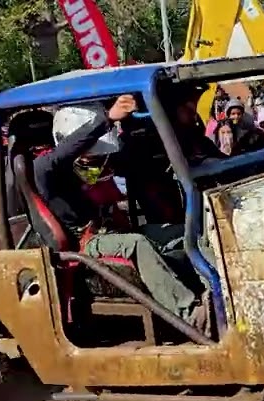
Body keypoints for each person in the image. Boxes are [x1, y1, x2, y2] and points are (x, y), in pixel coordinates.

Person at [34, 97, 206, 330]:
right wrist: (106, 119)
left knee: (188, 230)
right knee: (136, 243)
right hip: (89, 242)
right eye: (89, 157)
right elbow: (67, 151)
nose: (96, 163)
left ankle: (219, 289)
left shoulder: (86, 171)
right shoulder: (45, 171)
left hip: (112, 231)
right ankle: (188, 313)